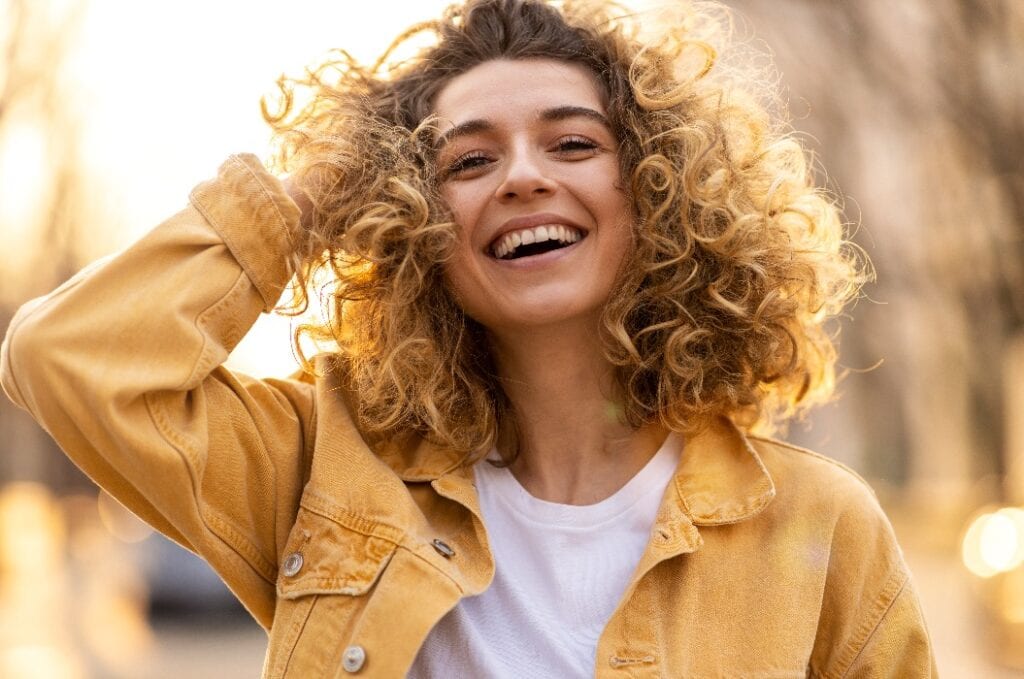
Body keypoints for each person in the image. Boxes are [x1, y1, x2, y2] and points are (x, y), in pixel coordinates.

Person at [1, 0, 936, 676]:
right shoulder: (326, 469)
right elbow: (66, 358)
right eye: (469, 161)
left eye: (573, 144)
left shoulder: (818, 523)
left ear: (659, 194)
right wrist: (313, 194)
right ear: (416, 218)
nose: (523, 176)